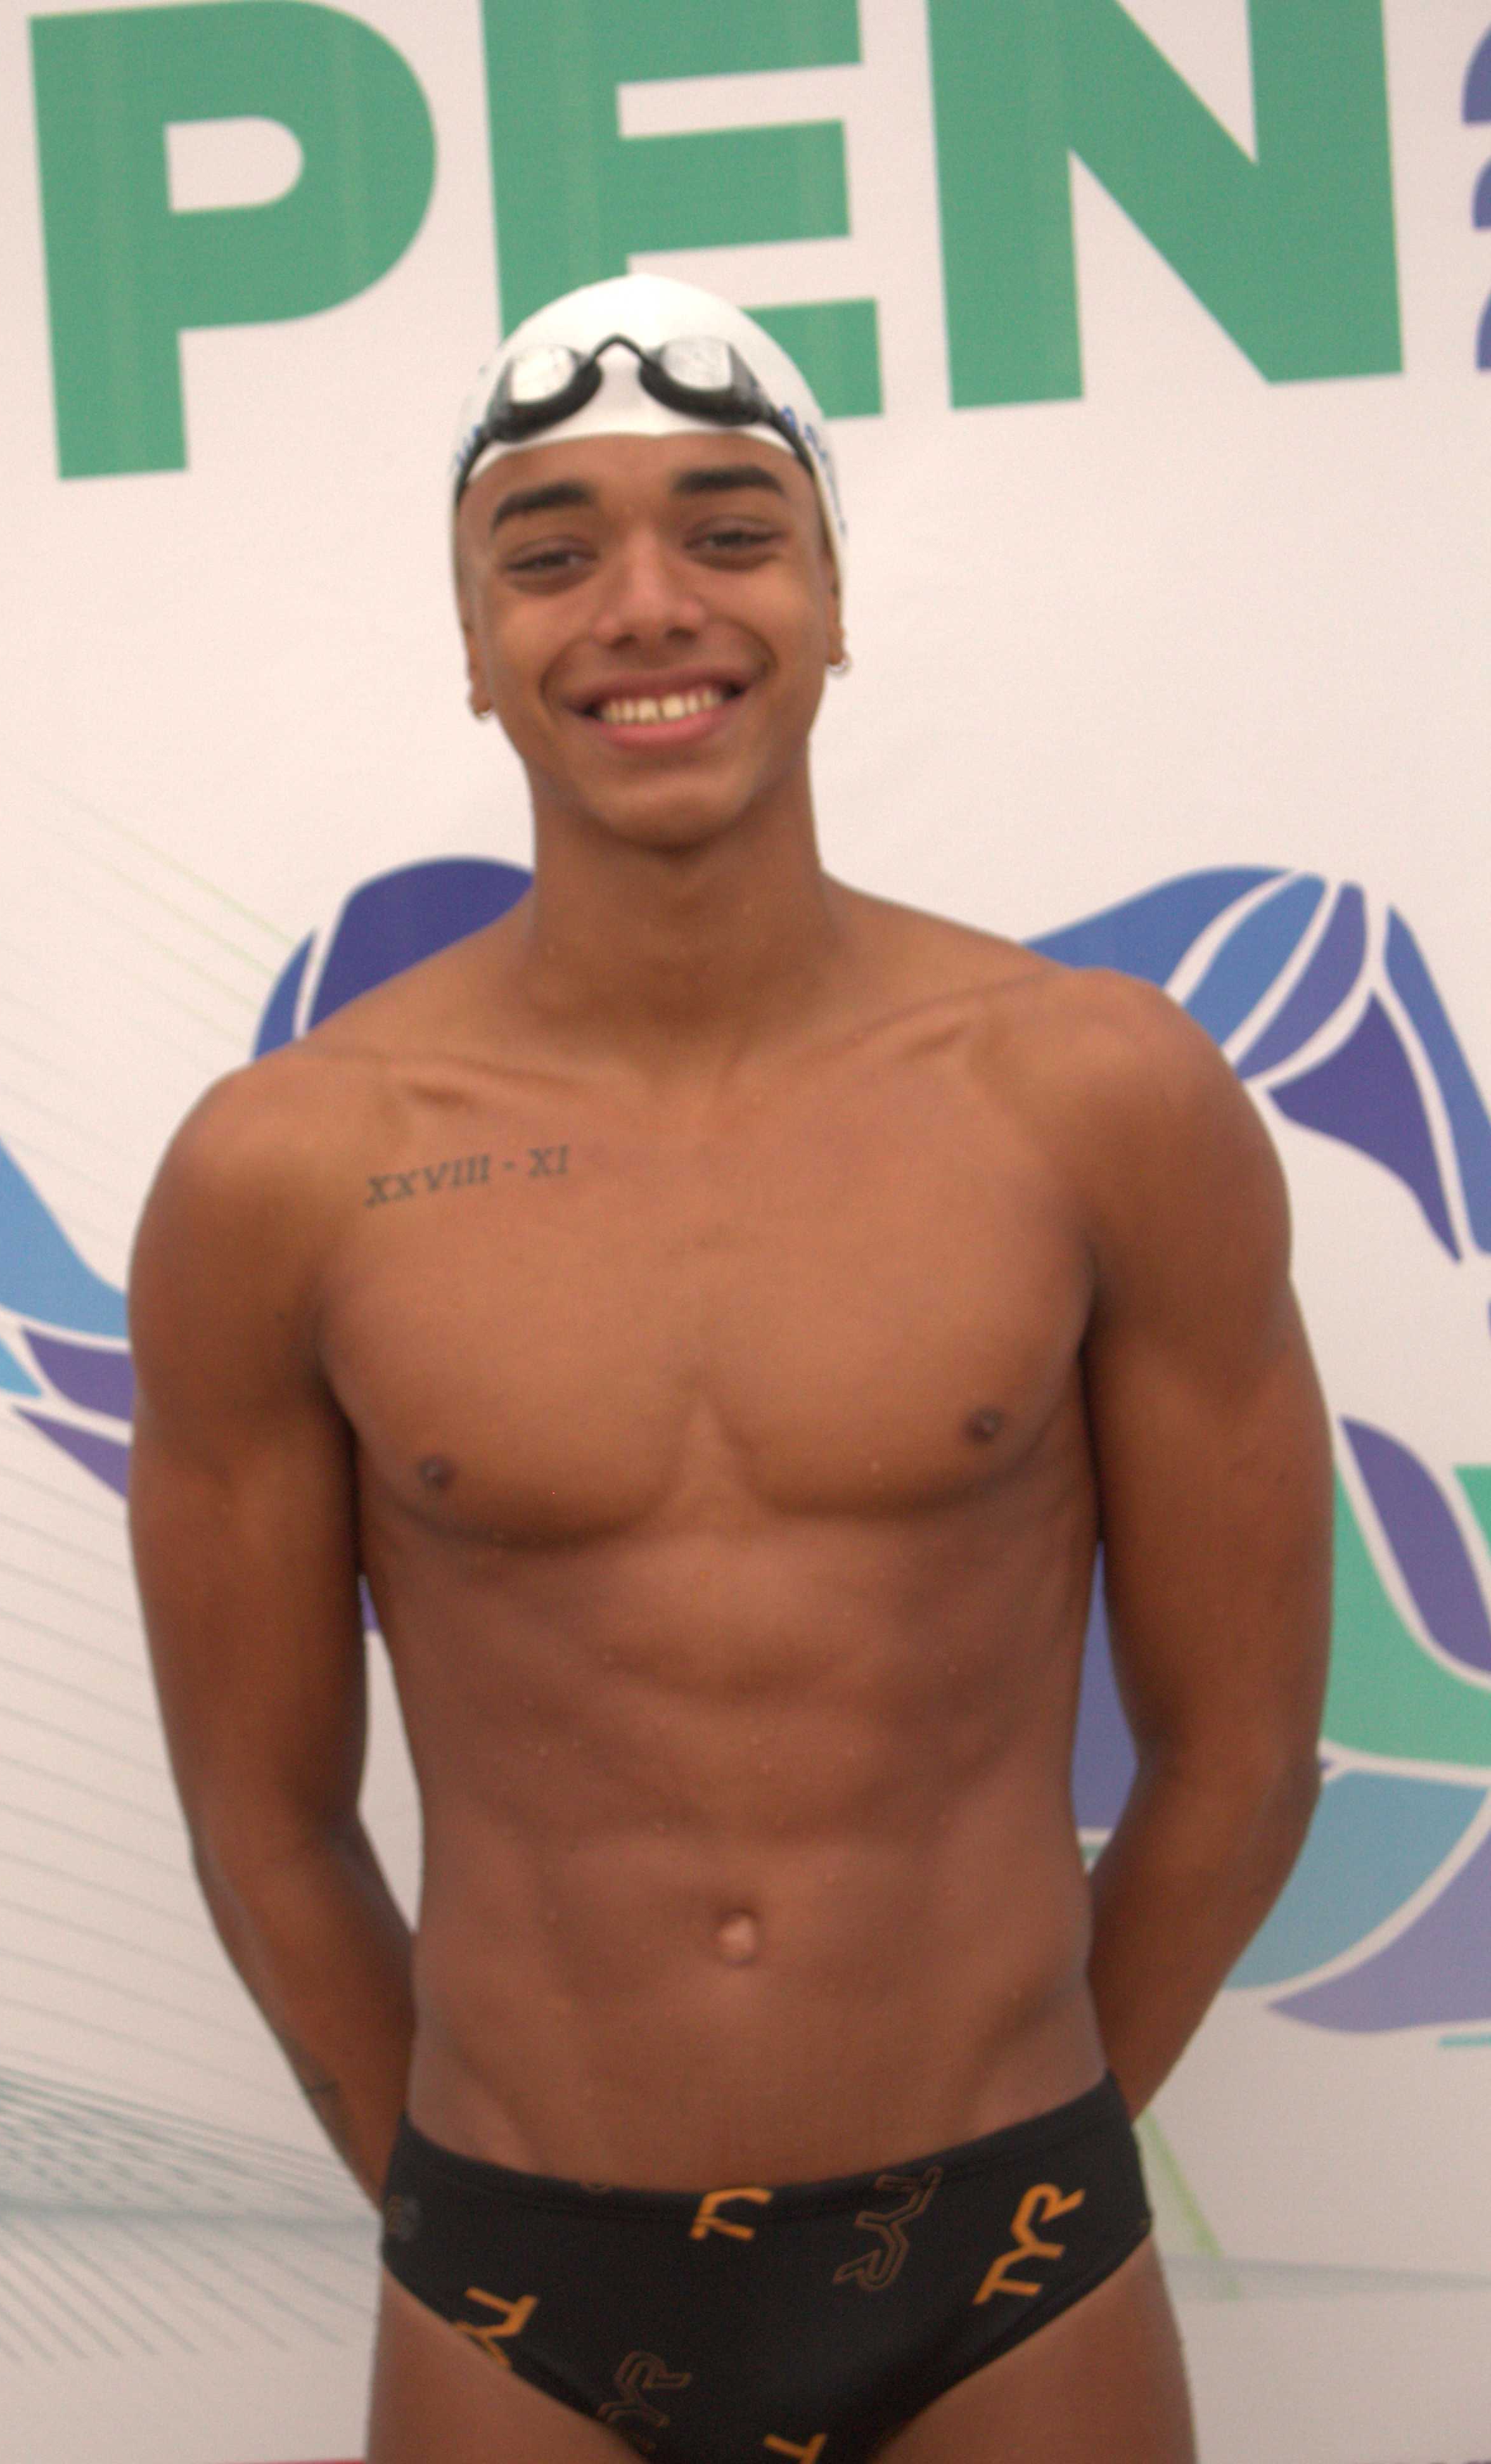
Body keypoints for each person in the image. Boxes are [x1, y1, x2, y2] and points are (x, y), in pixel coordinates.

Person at [127, 274, 1332, 2463]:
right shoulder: (284, 1173)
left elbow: (1242, 1753)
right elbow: (261, 1820)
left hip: (1010, 2256)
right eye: (552, 553)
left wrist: (1033, 2164)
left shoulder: (1096, 1098)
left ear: (834, 598)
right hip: (520, 2277)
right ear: (472, 640)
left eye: (731, 531)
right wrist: (474, 2221)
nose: (647, 607)